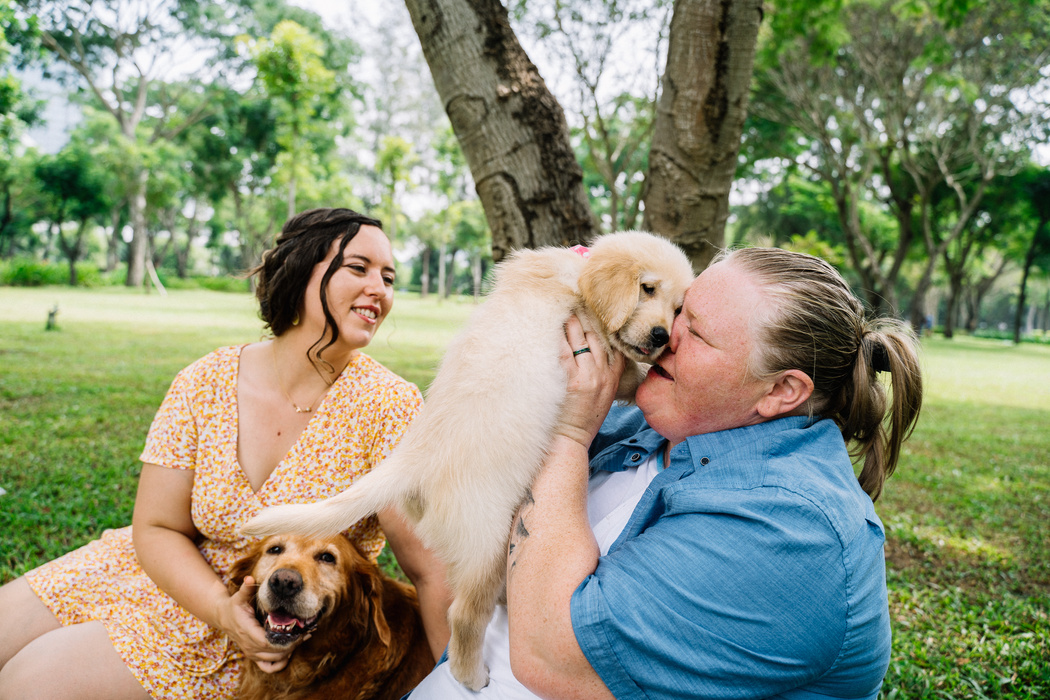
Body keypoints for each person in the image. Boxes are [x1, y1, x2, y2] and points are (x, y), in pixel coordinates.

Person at [410, 246, 922, 699]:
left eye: (696, 331)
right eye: (680, 308)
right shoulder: (652, 422)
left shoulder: (794, 531)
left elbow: (550, 657)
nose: (665, 331)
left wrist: (567, 436)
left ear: (780, 392)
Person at [0, 208, 451, 700]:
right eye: (358, 268)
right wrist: (219, 606)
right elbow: (156, 527)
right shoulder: (205, 380)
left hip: (267, 624)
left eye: (388, 277)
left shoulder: (389, 405)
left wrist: (456, 686)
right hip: (158, 569)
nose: (380, 290)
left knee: (25, 685)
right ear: (300, 269)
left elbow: (429, 569)